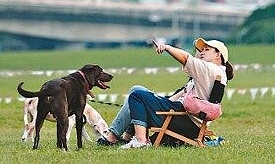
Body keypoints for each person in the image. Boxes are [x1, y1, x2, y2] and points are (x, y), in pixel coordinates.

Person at [97, 37, 234, 149]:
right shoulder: (215, 72)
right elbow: (180, 96)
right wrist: (158, 99)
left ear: (218, 54)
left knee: (137, 95)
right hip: (184, 117)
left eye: (207, 49)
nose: (202, 52)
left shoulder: (211, 69)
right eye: (201, 50)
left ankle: (140, 141)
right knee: (137, 89)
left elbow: (186, 58)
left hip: (183, 120)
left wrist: (167, 47)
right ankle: (123, 137)